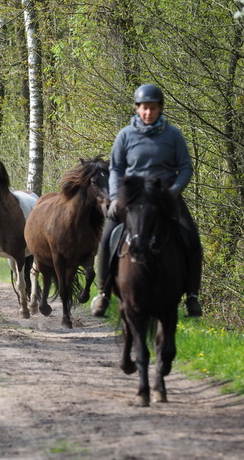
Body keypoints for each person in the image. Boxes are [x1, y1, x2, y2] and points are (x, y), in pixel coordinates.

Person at [91, 84, 203, 318]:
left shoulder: (173, 135)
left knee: (191, 238)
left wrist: (174, 191)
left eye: (153, 108)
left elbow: (185, 167)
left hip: (165, 196)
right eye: (144, 108)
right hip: (132, 197)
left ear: (160, 109)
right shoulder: (125, 135)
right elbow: (117, 168)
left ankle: (192, 295)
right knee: (106, 239)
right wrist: (113, 198)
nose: (148, 113)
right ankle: (102, 293)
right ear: (137, 108)